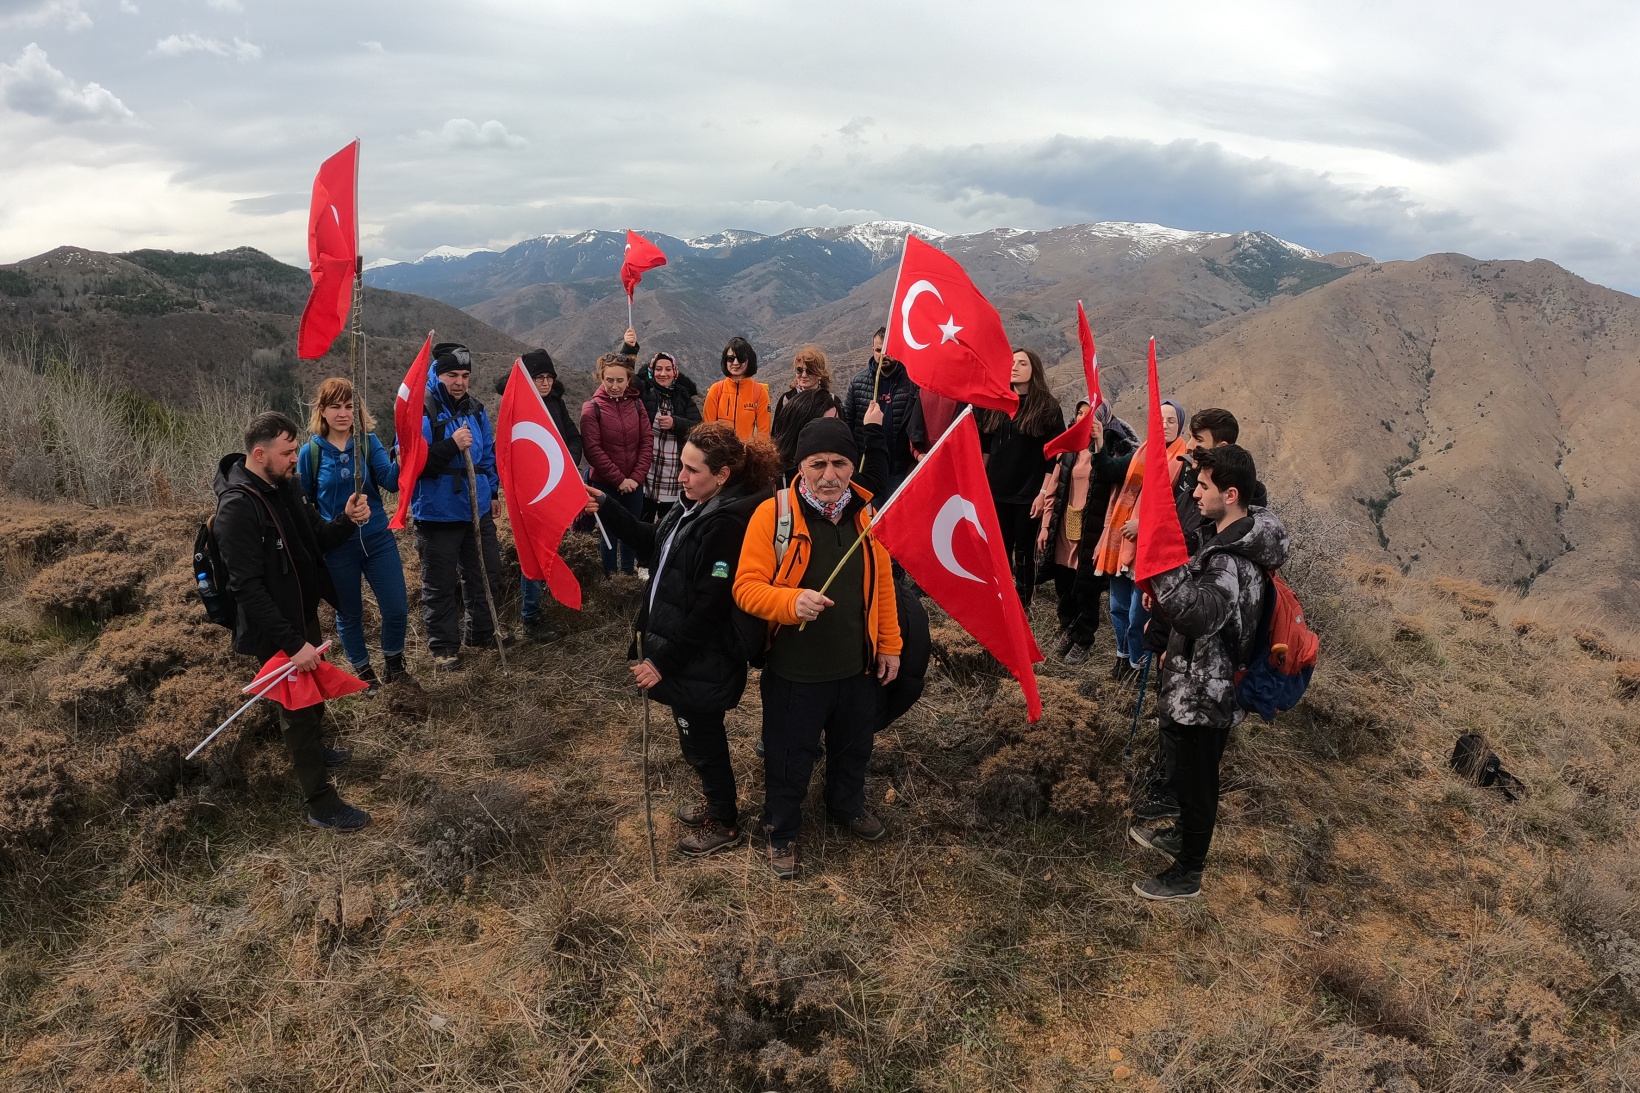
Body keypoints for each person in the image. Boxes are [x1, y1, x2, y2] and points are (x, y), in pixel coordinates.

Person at [586, 422, 780, 856]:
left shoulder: (726, 524)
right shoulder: (691, 504)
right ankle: (716, 802)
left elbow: (710, 608)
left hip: (700, 656)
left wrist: (662, 662)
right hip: (679, 649)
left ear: (723, 475)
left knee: (702, 738)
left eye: (692, 470)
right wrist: (609, 507)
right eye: (682, 467)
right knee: (693, 733)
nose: (681, 477)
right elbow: (656, 546)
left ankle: (725, 822)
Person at [734, 418, 901, 880]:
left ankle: (845, 807)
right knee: (789, 754)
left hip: (856, 666)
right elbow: (746, 588)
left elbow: (882, 587)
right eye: (818, 464)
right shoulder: (774, 515)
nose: (830, 476)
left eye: (840, 464)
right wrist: (790, 601)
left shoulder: (867, 514)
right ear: (800, 466)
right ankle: (782, 829)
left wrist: (890, 645)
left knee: (854, 747)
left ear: (854, 466)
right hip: (795, 671)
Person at [1128, 444, 1289, 900]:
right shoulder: (1225, 539)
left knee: (1199, 782)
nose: (1195, 493)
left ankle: (1188, 872)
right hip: (1198, 680)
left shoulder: (1230, 561)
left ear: (1231, 494)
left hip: (1208, 693)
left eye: (1203, 486)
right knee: (1186, 770)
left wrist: (1160, 565)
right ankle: (1183, 836)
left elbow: (1200, 616)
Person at [213, 412, 373, 830]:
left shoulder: (286, 485)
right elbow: (245, 588)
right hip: (275, 629)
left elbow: (315, 537)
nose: (293, 459)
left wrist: (345, 520)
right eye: (286, 452)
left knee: (313, 693)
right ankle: (321, 805)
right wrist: (291, 643)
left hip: (301, 613)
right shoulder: (237, 508)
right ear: (260, 453)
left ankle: (317, 754)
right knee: (298, 711)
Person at [297, 378, 411, 691]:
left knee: (397, 607)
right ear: (322, 411)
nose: (343, 413)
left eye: (349, 406)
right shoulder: (310, 454)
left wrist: (399, 462)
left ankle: (394, 665)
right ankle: (364, 673)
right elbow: (305, 503)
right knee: (349, 614)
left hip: (377, 538)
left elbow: (388, 482)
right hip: (337, 548)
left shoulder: (368, 442)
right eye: (335, 406)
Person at [411, 342, 507, 670]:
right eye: (452, 374)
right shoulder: (421, 410)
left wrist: (492, 493)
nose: (459, 382)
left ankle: (479, 633)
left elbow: (488, 454)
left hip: (476, 509)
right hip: (437, 512)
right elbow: (414, 462)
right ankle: (444, 648)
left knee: (485, 572)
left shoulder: (475, 409)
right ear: (437, 374)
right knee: (439, 583)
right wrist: (452, 445)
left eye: (465, 375)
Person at [1035, 400, 1138, 664]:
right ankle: (1068, 628)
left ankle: (1084, 639)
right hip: (1064, 527)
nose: (1083, 419)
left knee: (1086, 588)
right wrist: (1046, 525)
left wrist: (1106, 534)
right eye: (1079, 413)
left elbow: (1114, 499)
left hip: (1091, 530)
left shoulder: (1113, 452)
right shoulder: (1068, 449)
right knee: (1063, 583)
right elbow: (1054, 490)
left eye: (1089, 415)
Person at [1092, 398, 1186, 682]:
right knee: (1117, 608)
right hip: (1121, 543)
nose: (1166, 426)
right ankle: (1122, 659)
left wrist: (1143, 525)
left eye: (1172, 421)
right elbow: (1113, 479)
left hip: (1148, 548)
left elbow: (1178, 512)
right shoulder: (1141, 452)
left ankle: (1137, 664)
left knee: (1137, 615)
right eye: (1161, 420)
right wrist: (1098, 443)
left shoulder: (1182, 463)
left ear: (1180, 425)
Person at [503, 349, 581, 644]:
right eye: (539, 378)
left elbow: (573, 438)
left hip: (554, 490)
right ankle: (530, 617)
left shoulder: (557, 405)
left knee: (551, 548)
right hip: (530, 497)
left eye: (549, 377)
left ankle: (548, 601)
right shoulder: (518, 408)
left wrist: (569, 462)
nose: (545, 383)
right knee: (533, 553)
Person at [978, 348, 1065, 607]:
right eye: (1012, 362)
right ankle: (1000, 599)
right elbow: (985, 448)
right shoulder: (997, 402)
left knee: (1025, 552)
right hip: (996, 491)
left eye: (1022, 363)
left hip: (1028, 493)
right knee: (999, 550)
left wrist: (1043, 494)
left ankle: (1023, 603)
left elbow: (1055, 457)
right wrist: (980, 484)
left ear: (1033, 370)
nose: (1014, 366)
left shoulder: (1048, 408)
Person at [581, 353, 654, 577]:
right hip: (605, 484)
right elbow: (593, 450)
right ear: (601, 378)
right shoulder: (591, 408)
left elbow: (647, 441)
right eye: (609, 380)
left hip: (634, 483)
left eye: (620, 380)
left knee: (631, 530)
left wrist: (635, 478)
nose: (615, 386)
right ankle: (611, 579)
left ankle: (628, 576)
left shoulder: (637, 405)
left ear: (628, 380)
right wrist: (620, 480)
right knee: (609, 533)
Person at [843, 327, 920, 494]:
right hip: (867, 465)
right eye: (879, 350)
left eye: (888, 350)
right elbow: (847, 421)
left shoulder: (911, 382)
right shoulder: (858, 382)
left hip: (899, 467)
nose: (884, 355)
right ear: (873, 350)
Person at [637, 351, 702, 523]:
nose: (663, 374)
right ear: (651, 371)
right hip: (646, 475)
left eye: (667, 369)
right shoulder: (643, 393)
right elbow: (624, 377)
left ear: (675, 372)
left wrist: (675, 423)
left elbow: (699, 428)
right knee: (643, 525)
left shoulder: (683, 397)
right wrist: (630, 349)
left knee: (668, 526)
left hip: (672, 476)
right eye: (658, 369)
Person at [771, 386, 847, 481]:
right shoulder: (776, 481)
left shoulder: (844, 473)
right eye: (824, 426)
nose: (832, 431)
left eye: (836, 423)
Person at [701, 336, 771, 440]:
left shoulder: (759, 392)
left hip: (746, 454)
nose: (735, 363)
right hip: (719, 453)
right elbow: (708, 429)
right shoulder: (716, 390)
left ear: (749, 360)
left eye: (741, 358)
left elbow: (763, 435)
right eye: (731, 358)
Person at [772, 343, 832, 422]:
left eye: (809, 371)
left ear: (820, 374)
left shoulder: (831, 401)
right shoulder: (786, 399)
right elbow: (776, 432)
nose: (804, 375)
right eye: (799, 370)